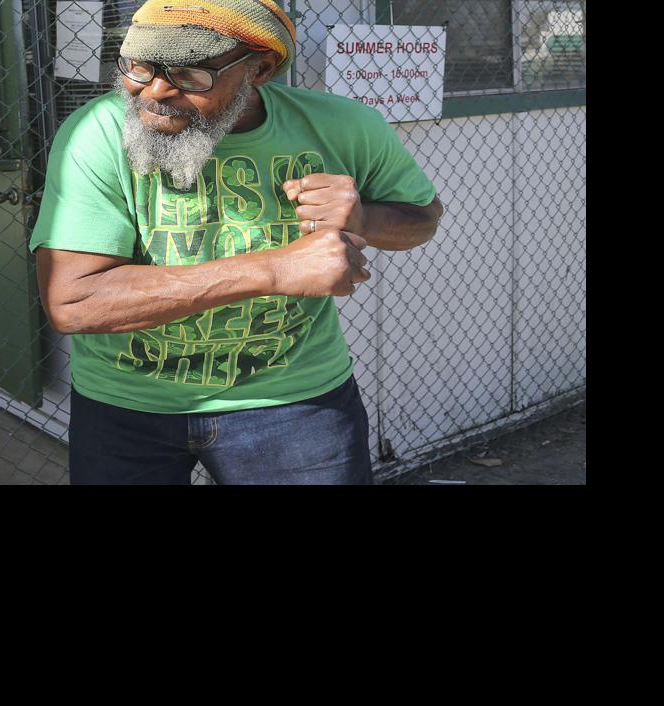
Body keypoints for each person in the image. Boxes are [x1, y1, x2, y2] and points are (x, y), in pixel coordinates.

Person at [30, 0, 443, 484]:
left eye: (190, 74)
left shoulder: (343, 127)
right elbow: (74, 302)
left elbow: (422, 220)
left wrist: (364, 216)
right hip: (125, 404)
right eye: (139, 67)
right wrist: (275, 270)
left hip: (294, 400)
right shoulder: (96, 134)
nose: (155, 91)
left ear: (261, 68)